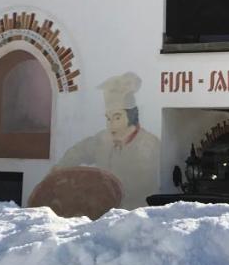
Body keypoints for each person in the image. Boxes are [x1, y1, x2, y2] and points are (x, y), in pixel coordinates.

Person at [54, 72, 160, 208]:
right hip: (103, 215)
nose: (111, 125)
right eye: (108, 118)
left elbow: (140, 185)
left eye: (117, 117)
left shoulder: (148, 144)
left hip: (134, 216)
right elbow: (78, 152)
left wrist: (94, 187)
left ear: (132, 116)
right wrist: (58, 170)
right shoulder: (102, 139)